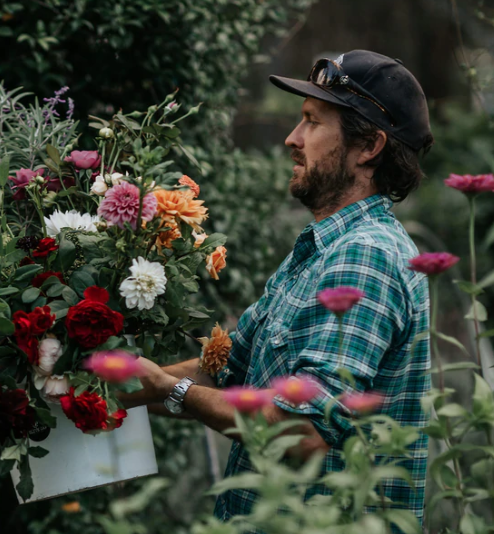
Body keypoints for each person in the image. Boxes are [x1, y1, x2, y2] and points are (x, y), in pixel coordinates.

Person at [121, 50, 434, 525]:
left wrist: (170, 387)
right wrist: (128, 387)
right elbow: (231, 371)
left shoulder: (364, 258)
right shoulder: (321, 247)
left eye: (312, 122)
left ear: (368, 145)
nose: (292, 138)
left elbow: (301, 430)